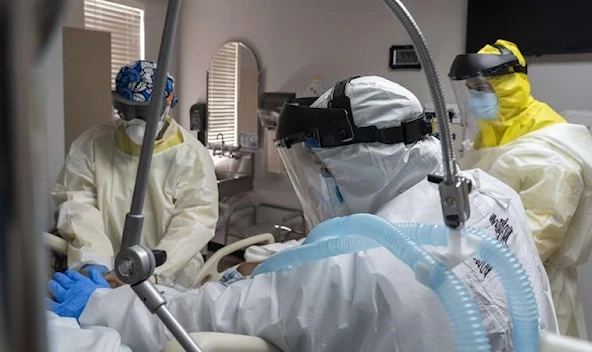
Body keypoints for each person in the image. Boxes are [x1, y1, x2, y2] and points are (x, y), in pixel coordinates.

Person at [48, 76, 557, 352]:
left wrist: (100, 308)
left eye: (321, 167)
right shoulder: (486, 194)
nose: (320, 182)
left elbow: (202, 316)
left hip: (153, 284)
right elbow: (78, 200)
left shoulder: (350, 266)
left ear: (355, 161)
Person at [449, 39, 592, 339]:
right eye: (470, 89)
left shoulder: (549, 151)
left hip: (533, 292)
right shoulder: (491, 136)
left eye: (482, 88)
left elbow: (530, 243)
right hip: (485, 282)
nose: (474, 97)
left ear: (510, 87)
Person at [53, 60, 219, 288]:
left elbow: (195, 221)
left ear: (167, 104)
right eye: (129, 111)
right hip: (105, 272)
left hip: (169, 277)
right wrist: (95, 263)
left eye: (146, 112)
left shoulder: (191, 155)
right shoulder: (91, 145)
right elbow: (77, 205)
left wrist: (150, 269)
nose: (137, 121)